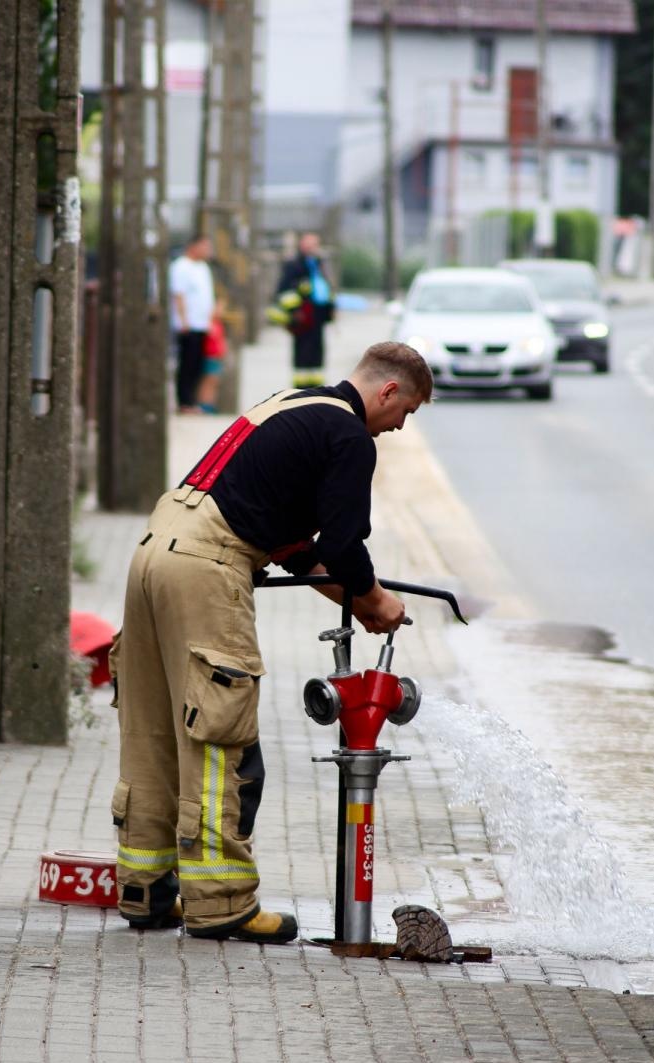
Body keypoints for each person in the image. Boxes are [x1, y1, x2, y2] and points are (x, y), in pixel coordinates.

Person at [109, 341, 433, 945]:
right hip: (208, 569)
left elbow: (296, 550)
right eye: (406, 412)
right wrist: (376, 600)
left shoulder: (293, 404)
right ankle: (222, 904)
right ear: (388, 391)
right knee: (218, 739)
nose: (398, 427)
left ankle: (145, 893)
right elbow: (340, 547)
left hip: (153, 555)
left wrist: (358, 601)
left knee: (151, 730)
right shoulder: (350, 437)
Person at [271, 231, 336, 387]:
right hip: (302, 317)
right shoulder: (294, 264)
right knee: (303, 352)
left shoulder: (318, 263)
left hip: (318, 314)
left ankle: (316, 387)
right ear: (301, 244)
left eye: (315, 244)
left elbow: (325, 288)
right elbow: (284, 291)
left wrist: (331, 309)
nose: (313, 247)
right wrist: (295, 311)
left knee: (317, 351)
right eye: (309, 243)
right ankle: (301, 389)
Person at [169, 234, 215, 411]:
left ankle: (192, 401)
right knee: (186, 365)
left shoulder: (203, 267)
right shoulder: (181, 267)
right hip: (188, 325)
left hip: (202, 324)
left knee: (197, 365)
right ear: (193, 246)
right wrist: (183, 320)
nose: (207, 251)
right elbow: (178, 294)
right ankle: (184, 402)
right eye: (204, 246)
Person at [195, 309, 228, 414]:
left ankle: (209, 404)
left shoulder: (218, 324)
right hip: (211, 356)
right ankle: (204, 404)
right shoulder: (209, 324)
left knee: (214, 382)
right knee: (208, 381)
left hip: (217, 357)